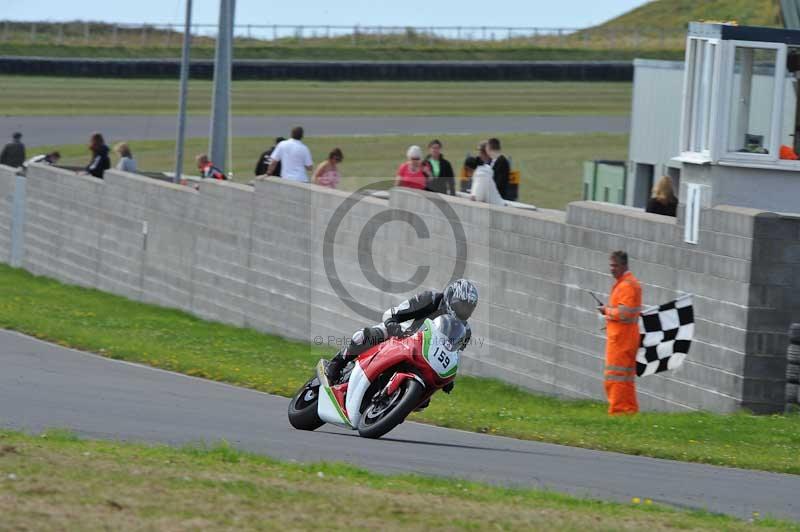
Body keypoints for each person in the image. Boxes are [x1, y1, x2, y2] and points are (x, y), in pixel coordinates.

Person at [325, 279, 479, 389]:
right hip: (401, 334)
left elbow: (453, 356)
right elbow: (394, 313)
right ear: (450, 297)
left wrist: (447, 379)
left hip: (424, 356)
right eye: (460, 305)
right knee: (365, 336)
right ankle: (336, 365)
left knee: (426, 396)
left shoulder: (465, 332)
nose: (463, 311)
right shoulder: (429, 299)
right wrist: (392, 324)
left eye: (468, 308)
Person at [596, 251, 642, 415]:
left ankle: (619, 411)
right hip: (623, 338)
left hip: (622, 340)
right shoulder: (626, 283)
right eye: (611, 266)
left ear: (624, 265)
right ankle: (628, 410)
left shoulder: (627, 285)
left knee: (615, 378)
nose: (612, 269)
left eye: (615, 266)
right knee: (624, 379)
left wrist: (606, 310)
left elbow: (625, 313)